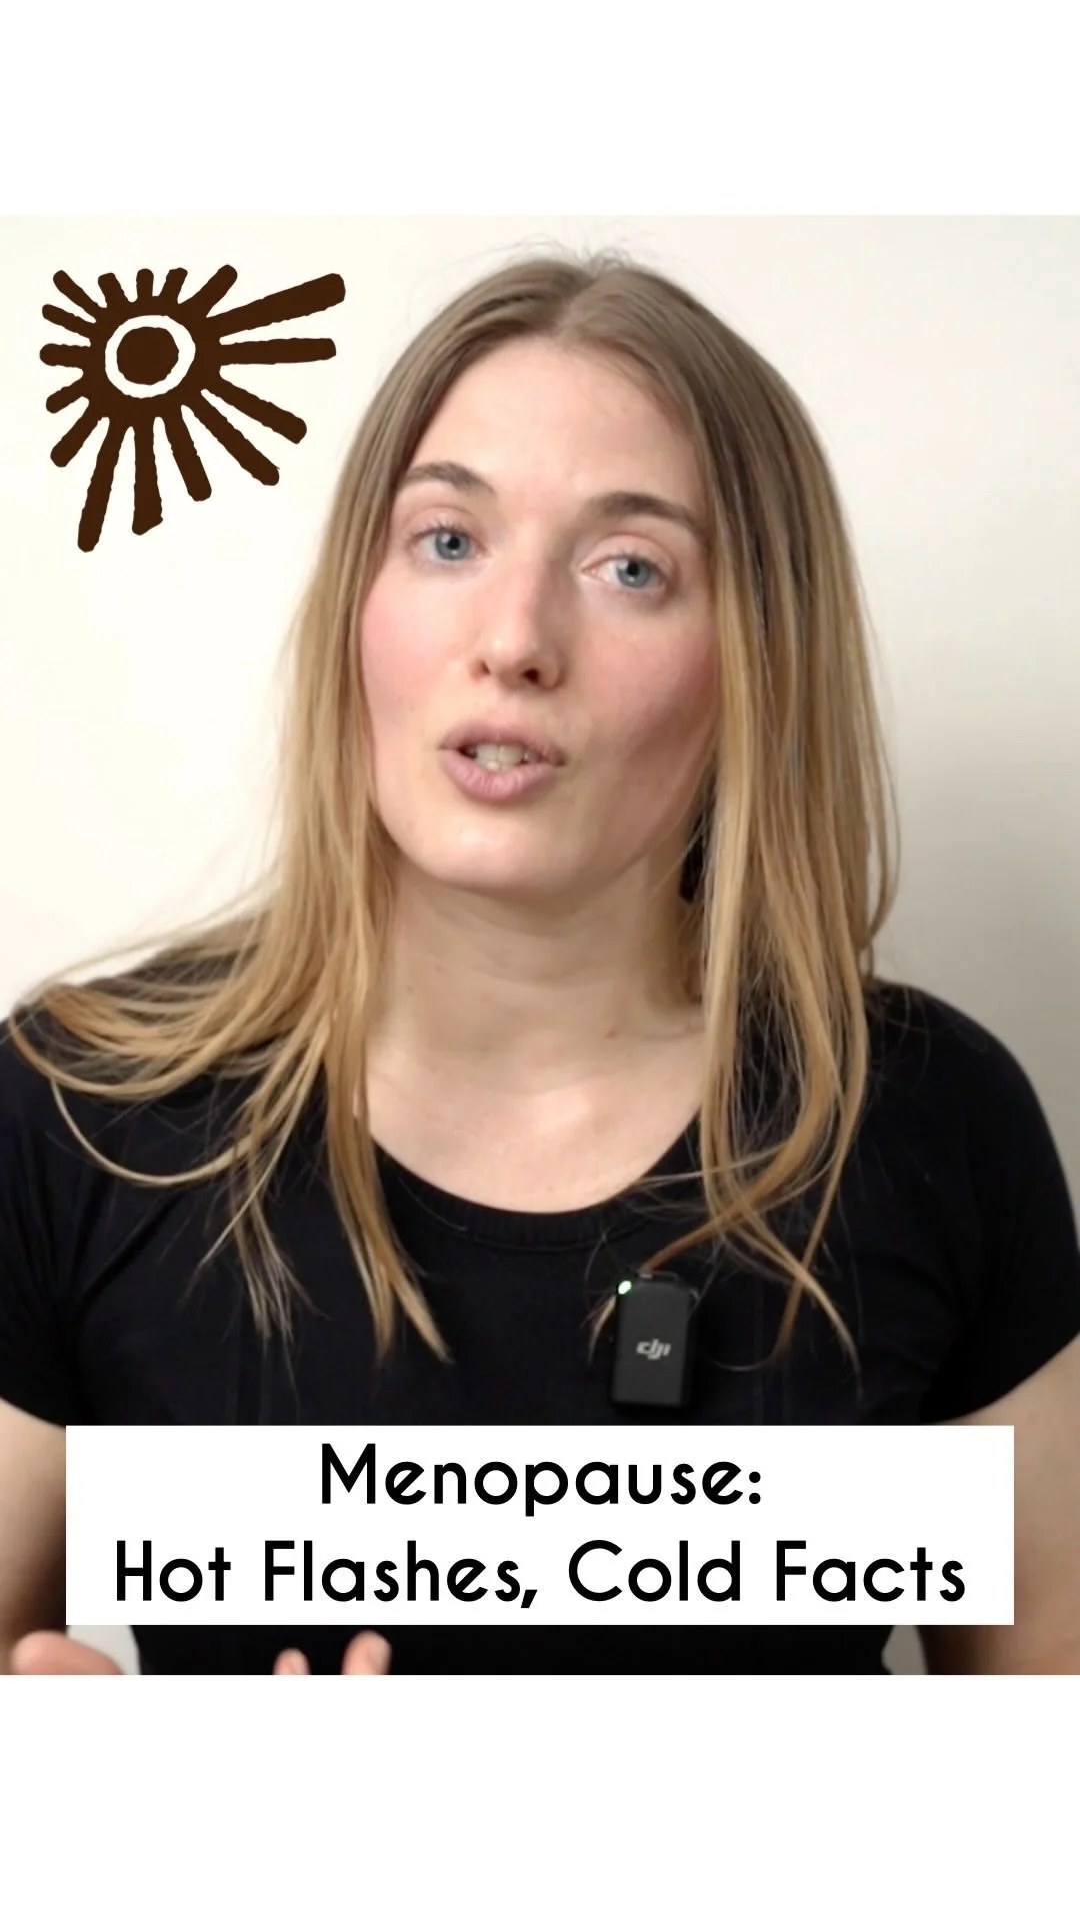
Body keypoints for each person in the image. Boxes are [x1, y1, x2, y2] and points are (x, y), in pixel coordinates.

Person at [2, 248, 1079, 1676]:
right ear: (358, 605)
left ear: (758, 663)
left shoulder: (934, 1125)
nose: (513, 640)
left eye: (631, 568)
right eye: (448, 540)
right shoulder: (78, 1114)